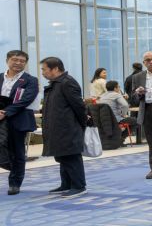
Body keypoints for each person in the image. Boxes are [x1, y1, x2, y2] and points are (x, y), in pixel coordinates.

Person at [38, 57, 88, 197]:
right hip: (58, 127)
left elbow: (79, 106)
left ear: (55, 69)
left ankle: (79, 186)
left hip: (68, 127)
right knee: (62, 156)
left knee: (71, 156)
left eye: (44, 69)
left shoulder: (67, 83)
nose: (42, 73)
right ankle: (66, 184)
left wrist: (80, 124)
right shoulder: (55, 84)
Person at [1, 50, 39, 196]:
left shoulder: (30, 80)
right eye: (15, 59)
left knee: (17, 152)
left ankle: (15, 183)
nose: (18, 63)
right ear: (7, 60)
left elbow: (25, 100)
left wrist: (5, 112)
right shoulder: (0, 77)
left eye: (22, 61)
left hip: (18, 119)